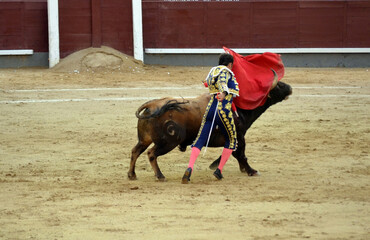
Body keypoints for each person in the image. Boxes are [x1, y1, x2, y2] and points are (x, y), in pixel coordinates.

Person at [182, 53, 239, 184]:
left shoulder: (213, 71)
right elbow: (223, 82)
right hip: (223, 110)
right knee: (231, 140)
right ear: (230, 64)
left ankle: (189, 167)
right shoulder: (226, 71)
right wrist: (224, 93)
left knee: (200, 139)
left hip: (210, 109)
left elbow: (207, 84)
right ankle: (219, 170)